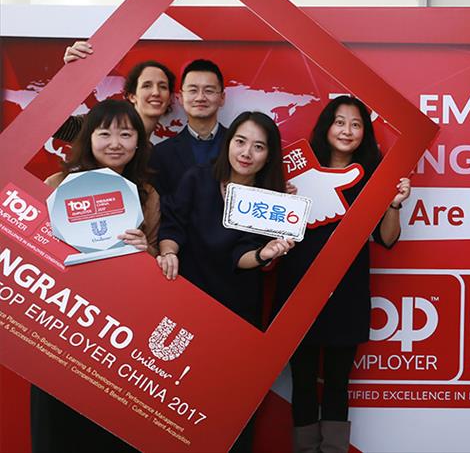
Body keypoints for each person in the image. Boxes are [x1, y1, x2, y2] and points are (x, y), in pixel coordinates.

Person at [273, 95, 411, 453]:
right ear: (326, 127)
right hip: (299, 289)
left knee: (337, 382)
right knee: (303, 382)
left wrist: (394, 204)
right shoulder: (295, 174)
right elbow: (272, 231)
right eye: (339, 122)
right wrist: (282, 199)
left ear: (365, 133)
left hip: (346, 295)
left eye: (356, 124)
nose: (347, 130)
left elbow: (387, 239)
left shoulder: (375, 180)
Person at [157, 111, 294, 453]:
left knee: (229, 404)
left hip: (236, 311)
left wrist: (264, 253)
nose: (246, 153)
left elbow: (241, 256)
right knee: (177, 399)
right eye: (240, 141)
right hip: (187, 304)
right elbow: (172, 225)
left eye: (258, 146)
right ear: (228, 143)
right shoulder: (197, 178)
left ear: (269, 155)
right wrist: (168, 252)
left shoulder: (270, 201)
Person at [32, 99, 158, 453]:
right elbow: (34, 250)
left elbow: (156, 269)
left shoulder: (147, 195)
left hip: (116, 337)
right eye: (104, 134)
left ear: (138, 143)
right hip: (61, 327)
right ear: (88, 139)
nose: (115, 143)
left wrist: (145, 253)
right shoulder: (57, 184)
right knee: (58, 429)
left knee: (111, 430)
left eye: (126, 134)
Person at [56, 43, 175, 142]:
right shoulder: (102, 124)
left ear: (170, 98)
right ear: (132, 96)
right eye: (146, 86)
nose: (156, 92)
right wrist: (70, 73)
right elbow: (56, 125)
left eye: (163, 87)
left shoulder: (154, 153)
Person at [149, 59, 228, 196]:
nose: (200, 98)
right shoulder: (162, 153)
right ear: (180, 97)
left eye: (209, 91)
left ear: (222, 98)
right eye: (193, 90)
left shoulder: (239, 147)